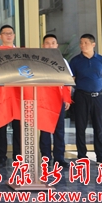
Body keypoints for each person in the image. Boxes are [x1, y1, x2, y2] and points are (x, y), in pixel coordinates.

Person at [69, 33, 102, 163]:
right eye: (81, 43)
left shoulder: (101, 60)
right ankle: (82, 156)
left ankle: (101, 157)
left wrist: (98, 87)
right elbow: (72, 79)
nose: (82, 45)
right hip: (81, 96)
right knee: (80, 127)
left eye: (85, 43)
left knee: (99, 127)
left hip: (98, 97)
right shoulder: (75, 61)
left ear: (93, 44)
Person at [38, 34, 72, 168]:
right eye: (47, 43)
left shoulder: (63, 61)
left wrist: (67, 98)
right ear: (43, 45)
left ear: (57, 45)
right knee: (45, 130)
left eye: (53, 43)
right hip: (43, 99)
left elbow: (68, 81)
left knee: (59, 130)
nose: (50, 45)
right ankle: (46, 158)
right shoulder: (37, 61)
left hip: (58, 99)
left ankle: (59, 158)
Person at [0, 25, 21, 168]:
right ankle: (1, 157)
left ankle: (18, 157)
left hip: (17, 95)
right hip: (1, 96)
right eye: (5, 33)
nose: (9, 35)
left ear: (14, 36)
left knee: (18, 128)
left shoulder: (21, 53)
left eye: (11, 33)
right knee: (1, 128)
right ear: (0, 36)